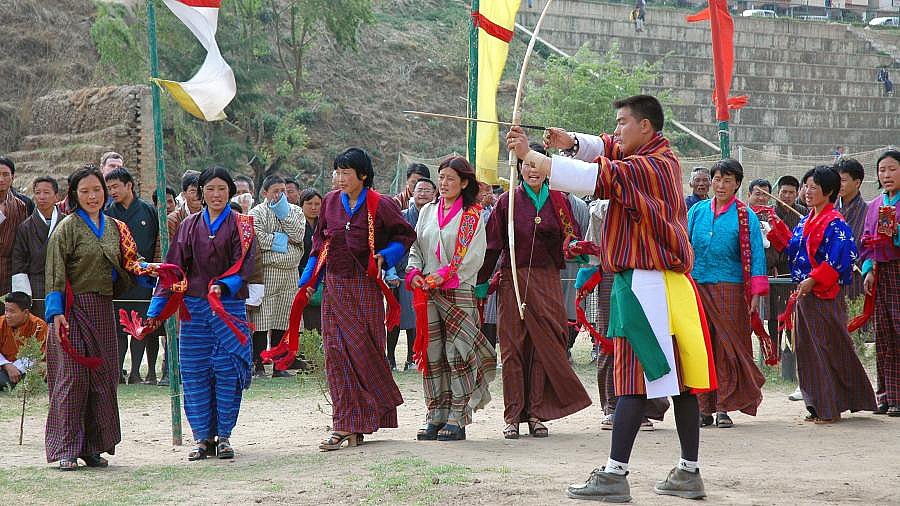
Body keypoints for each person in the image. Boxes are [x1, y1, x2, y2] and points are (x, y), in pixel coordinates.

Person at [509, 94, 713, 501]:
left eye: (623, 122)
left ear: (645, 127)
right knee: (679, 381)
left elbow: (597, 177)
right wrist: (570, 141)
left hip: (646, 285)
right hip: (665, 284)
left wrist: (530, 156)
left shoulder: (647, 166)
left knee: (635, 379)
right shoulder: (654, 157)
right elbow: (607, 147)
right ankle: (688, 471)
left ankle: (615, 474)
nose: (617, 130)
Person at [299, 148, 416, 451]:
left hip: (365, 288)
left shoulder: (380, 204)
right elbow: (319, 244)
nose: (339, 178)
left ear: (362, 175)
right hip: (335, 287)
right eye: (337, 172)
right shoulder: (329, 202)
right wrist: (308, 282)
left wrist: (385, 256)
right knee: (336, 353)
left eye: (346, 173)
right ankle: (344, 423)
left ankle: (363, 419)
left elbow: (405, 236)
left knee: (364, 350)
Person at [476, 138, 592, 442]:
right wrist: (482, 281)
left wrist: (578, 249)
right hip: (513, 280)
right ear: (518, 167)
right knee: (513, 347)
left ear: (547, 168)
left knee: (545, 345)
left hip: (547, 280)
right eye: (527, 164)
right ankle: (513, 416)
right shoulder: (507, 202)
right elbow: (493, 245)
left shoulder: (559, 201)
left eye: (538, 164)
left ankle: (537, 414)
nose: (533, 170)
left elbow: (571, 238)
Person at [44, 164, 159, 470]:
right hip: (71, 311)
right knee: (72, 378)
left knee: (103, 378)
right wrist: (55, 312)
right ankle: (66, 448)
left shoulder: (115, 227)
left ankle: (93, 447)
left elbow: (130, 261)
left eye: (97, 190)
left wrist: (153, 271)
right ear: (74, 194)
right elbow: (55, 271)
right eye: (85, 191)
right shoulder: (66, 228)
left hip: (103, 308)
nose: (92, 196)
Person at [147, 166, 257, 460]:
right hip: (194, 309)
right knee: (195, 372)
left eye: (221, 188)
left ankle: (225, 436)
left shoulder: (243, 225)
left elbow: (245, 264)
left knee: (228, 372)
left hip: (228, 308)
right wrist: (155, 310)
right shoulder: (188, 225)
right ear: (200, 193)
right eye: (209, 189)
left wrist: (224, 285)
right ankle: (202, 438)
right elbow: (173, 268)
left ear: (230, 191)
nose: (216, 194)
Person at [406, 156, 496, 441]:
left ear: (464, 183)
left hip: (459, 290)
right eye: (441, 177)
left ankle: (458, 416)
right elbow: (416, 247)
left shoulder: (472, 215)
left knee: (457, 353)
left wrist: (443, 276)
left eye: (450, 179)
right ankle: (435, 413)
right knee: (432, 353)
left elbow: (474, 257)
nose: (443, 183)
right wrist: (414, 272)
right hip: (428, 291)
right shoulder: (427, 211)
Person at [785, 166, 876, 424]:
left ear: (829, 191)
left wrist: (814, 279)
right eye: (806, 186)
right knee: (807, 349)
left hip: (824, 293)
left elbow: (840, 258)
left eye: (813, 187)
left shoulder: (836, 223)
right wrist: (775, 230)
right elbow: (794, 251)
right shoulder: (806, 220)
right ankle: (817, 403)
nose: (807, 191)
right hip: (805, 293)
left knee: (827, 347)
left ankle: (830, 406)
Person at [688, 159, 767, 428]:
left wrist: (756, 292)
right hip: (697, 286)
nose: (720, 185)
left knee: (726, 348)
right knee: (701, 347)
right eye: (717, 179)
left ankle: (724, 406)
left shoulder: (746, 216)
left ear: (737, 184)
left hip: (730, 288)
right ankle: (702, 407)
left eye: (727, 180)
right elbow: (685, 246)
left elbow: (757, 254)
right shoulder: (697, 211)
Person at [105, 167, 161, 385]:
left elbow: (158, 242)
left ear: (129, 185)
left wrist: (155, 270)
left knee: (141, 325)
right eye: (109, 188)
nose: (112, 192)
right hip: (118, 278)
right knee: (118, 327)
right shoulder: (108, 213)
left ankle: (136, 372)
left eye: (116, 186)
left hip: (144, 278)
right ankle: (118, 371)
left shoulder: (148, 211)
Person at [248, 175, 305, 378]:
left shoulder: (295, 211)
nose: (281, 195)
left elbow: (298, 236)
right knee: (262, 319)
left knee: (284, 318)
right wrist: (285, 242)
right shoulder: (256, 212)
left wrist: (283, 215)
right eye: (276, 191)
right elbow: (259, 240)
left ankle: (280, 365)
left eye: (284, 191)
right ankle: (258, 364)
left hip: (290, 273)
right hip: (266, 272)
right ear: (265, 193)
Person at [860, 150, 900, 417]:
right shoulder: (875, 205)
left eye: (892, 169)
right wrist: (868, 270)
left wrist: (896, 232)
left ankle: (898, 397)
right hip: (879, 272)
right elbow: (866, 241)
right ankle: (884, 395)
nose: (886, 175)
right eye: (882, 170)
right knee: (883, 333)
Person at [393, 178, 437, 370]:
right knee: (397, 319)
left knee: (420, 318)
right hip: (403, 274)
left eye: (427, 190)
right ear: (412, 192)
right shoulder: (402, 216)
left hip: (430, 275)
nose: (423, 193)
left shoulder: (438, 216)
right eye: (419, 189)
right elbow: (393, 243)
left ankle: (413, 358)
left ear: (434, 194)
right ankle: (390, 358)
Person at [11, 177, 61, 298]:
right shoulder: (25, 227)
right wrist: (23, 295)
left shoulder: (66, 223)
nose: (41, 197)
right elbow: (19, 261)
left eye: (46, 192)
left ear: (56, 196)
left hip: (62, 281)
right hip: (35, 283)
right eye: (38, 193)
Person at [0, 292, 48, 390]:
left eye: (12, 311)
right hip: (4, 366)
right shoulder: (1, 322)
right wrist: (6, 365)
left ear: (26, 312)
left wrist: (16, 368)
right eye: (6, 310)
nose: (7, 315)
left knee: (42, 368)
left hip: (27, 368)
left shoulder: (39, 326)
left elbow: (38, 355)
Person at [835, 158, 867, 300]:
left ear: (857, 183)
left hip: (857, 279)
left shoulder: (868, 212)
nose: (838, 185)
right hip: (830, 280)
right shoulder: (830, 209)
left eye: (843, 180)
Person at [0, 156, 27, 295]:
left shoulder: (20, 206)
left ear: (13, 177)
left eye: (5, 174)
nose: (1, 179)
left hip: (9, 271)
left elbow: (24, 242)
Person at [298, 188, 323, 332]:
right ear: (301, 205)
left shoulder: (324, 225)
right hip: (300, 273)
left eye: (317, 204)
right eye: (309, 204)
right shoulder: (297, 224)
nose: (313, 208)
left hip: (320, 275)